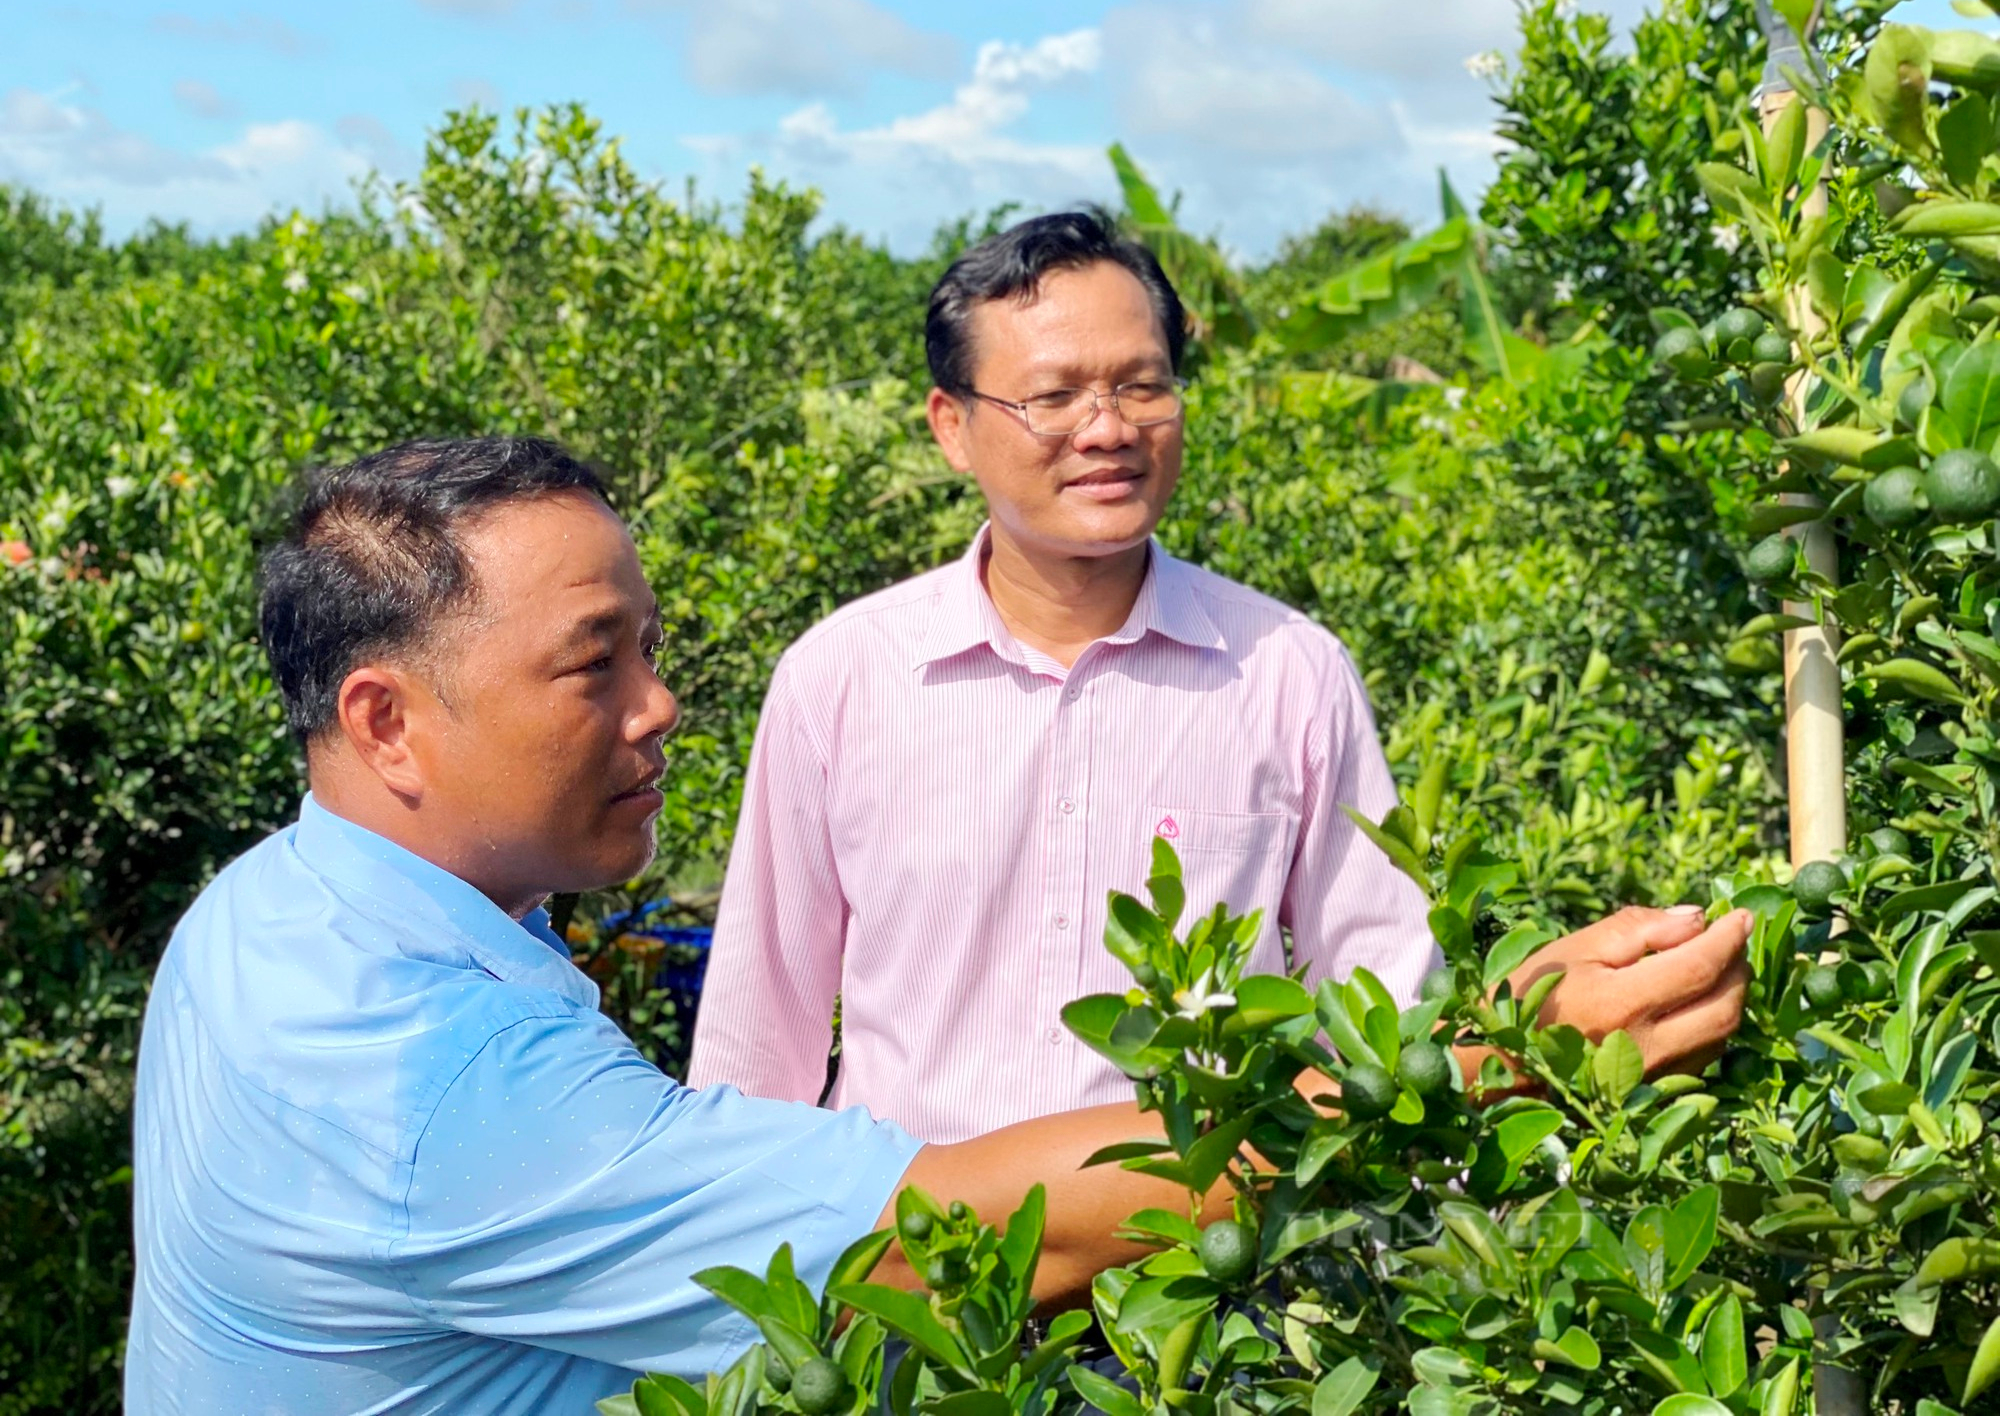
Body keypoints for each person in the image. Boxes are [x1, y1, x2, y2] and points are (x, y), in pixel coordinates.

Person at [126, 434, 1749, 1412]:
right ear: (388, 721)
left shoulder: (276, 915)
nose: (663, 707)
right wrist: (1482, 1064)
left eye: (649, 648)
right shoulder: (428, 1074)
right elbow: (968, 1228)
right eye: (592, 662)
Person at [687, 211, 1746, 1144]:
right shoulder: (842, 678)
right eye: (1051, 398)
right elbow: (757, 1037)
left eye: (1140, 386)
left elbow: (1379, 1006)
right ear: (950, 427)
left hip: (1216, 1284)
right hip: (922, 1282)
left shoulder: (1285, 672)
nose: (1106, 429)